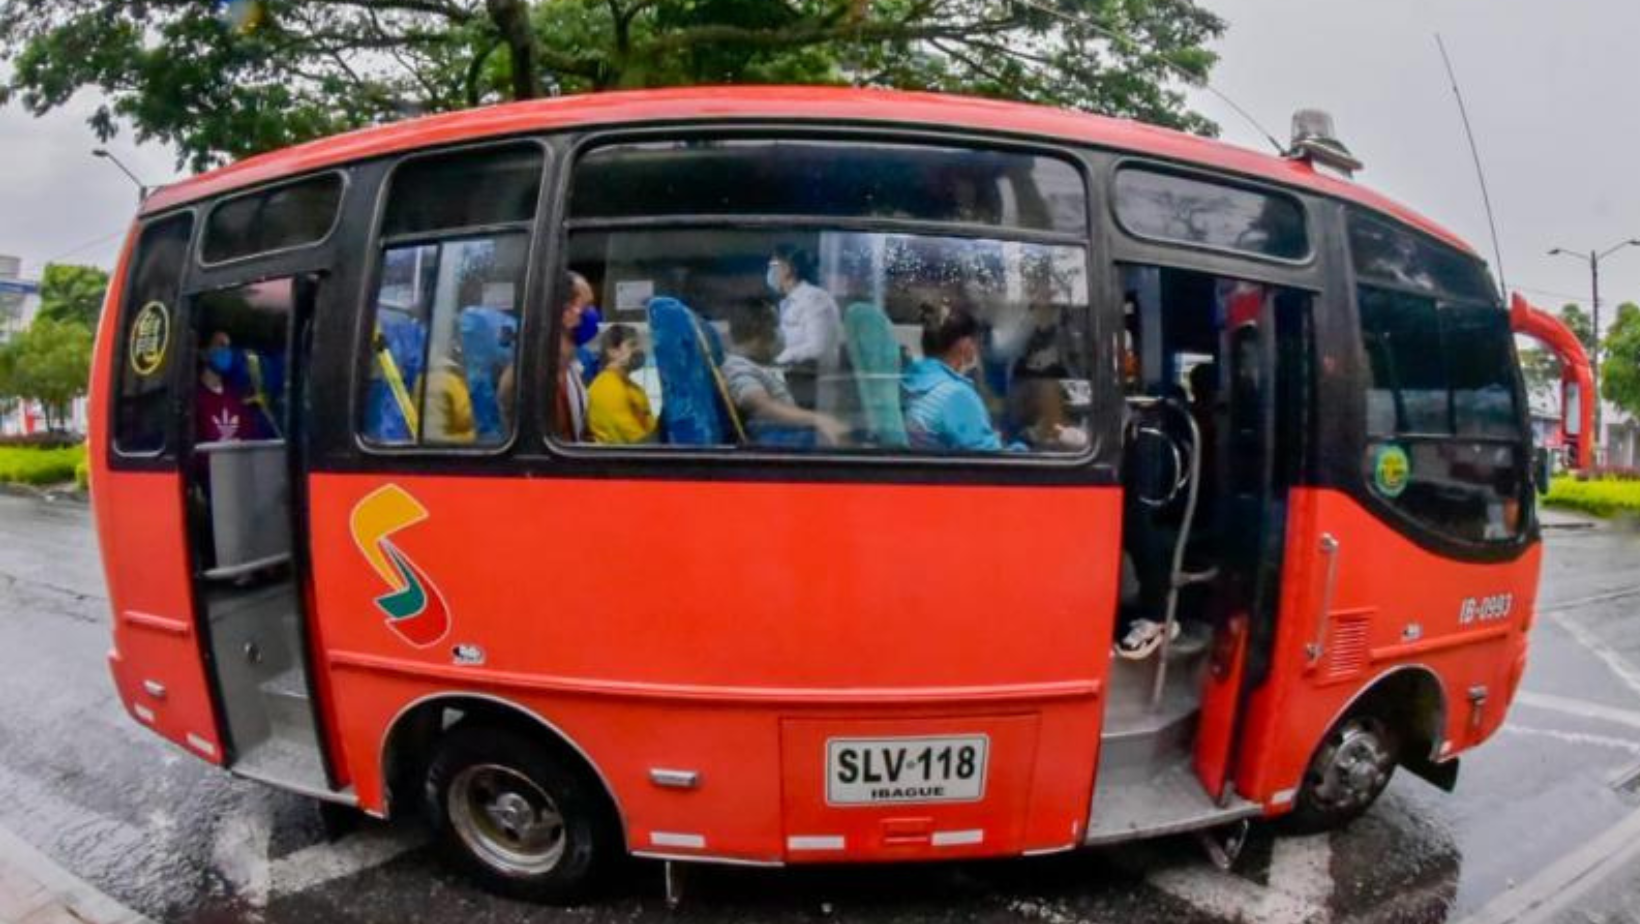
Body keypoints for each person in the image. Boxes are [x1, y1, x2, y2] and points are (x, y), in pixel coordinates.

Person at [722, 298, 849, 447]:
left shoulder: (759, 365)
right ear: (760, 329)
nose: (780, 333)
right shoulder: (737, 366)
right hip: (777, 443)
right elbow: (762, 407)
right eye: (775, 326)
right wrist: (819, 420)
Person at [903, 301, 1005, 452]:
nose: (977, 348)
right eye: (976, 341)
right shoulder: (956, 395)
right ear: (964, 345)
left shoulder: (911, 382)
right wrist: (1022, 448)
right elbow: (991, 460)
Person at [767, 244, 841, 407]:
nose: (769, 273)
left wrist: (779, 360)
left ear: (787, 268)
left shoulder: (816, 298)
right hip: (791, 382)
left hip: (811, 387)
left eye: (772, 266)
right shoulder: (786, 302)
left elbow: (818, 347)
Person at [195, 330, 273, 443]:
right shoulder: (195, 399)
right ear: (203, 353)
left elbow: (249, 441)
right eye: (221, 345)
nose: (226, 352)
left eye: (228, 347)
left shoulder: (236, 397)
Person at [586, 324, 658, 444]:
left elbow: (650, 428)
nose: (639, 351)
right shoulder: (607, 388)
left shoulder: (633, 387)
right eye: (632, 345)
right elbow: (636, 442)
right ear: (613, 352)